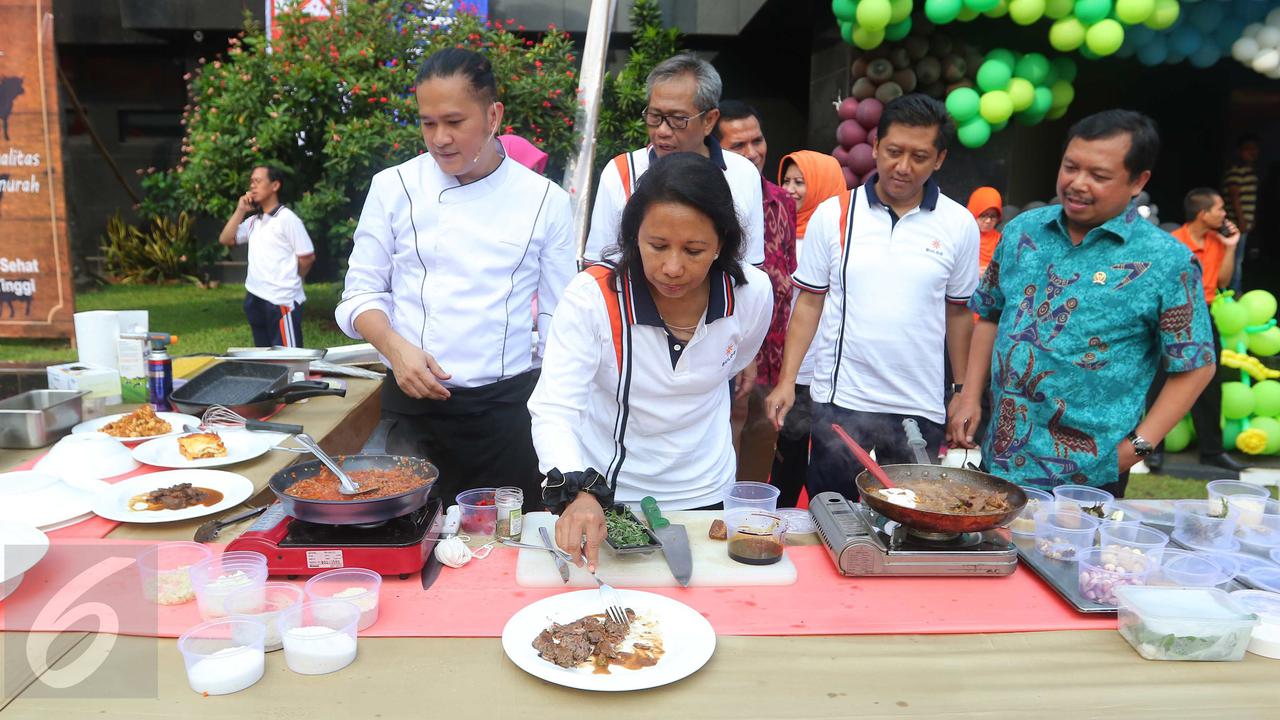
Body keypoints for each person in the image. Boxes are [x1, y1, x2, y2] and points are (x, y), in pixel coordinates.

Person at [336, 48, 576, 511]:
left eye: (454, 121)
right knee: (406, 540)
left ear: (492, 115)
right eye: (428, 123)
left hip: (504, 413)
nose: (440, 138)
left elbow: (559, 315)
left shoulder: (543, 199)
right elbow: (360, 294)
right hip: (413, 408)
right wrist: (396, 350)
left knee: (507, 550)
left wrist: (559, 416)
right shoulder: (395, 187)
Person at [948, 110, 1216, 494]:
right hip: (1002, 454)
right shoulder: (1024, 232)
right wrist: (969, 396)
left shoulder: (1168, 262)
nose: (1077, 183)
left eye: (1099, 176)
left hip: (1091, 476)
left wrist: (1137, 447)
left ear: (1138, 181)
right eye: (1070, 167)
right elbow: (990, 314)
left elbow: (1195, 364)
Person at [531, 153, 772, 570]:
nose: (673, 268)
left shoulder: (751, 295)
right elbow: (555, 408)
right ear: (632, 236)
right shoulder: (592, 300)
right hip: (608, 495)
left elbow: (734, 363)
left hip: (706, 491)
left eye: (694, 250)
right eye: (657, 246)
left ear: (722, 245)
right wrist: (576, 490)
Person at [765, 94, 979, 500]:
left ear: (939, 159)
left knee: (914, 516)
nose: (903, 166)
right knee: (832, 513)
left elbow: (958, 313)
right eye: (894, 151)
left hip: (920, 405)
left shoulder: (959, 224)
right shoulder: (835, 214)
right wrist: (787, 381)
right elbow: (809, 303)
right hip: (842, 401)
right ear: (877, 146)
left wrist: (961, 391)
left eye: (919, 156)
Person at [583, 55, 765, 268]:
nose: (662, 130)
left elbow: (749, 268)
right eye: (654, 116)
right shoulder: (621, 172)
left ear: (709, 120)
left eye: (678, 119)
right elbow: (600, 266)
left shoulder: (743, 173)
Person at [714, 100, 796, 481]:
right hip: (728, 337)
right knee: (725, 430)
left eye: (757, 141)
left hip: (775, 344)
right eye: (738, 146)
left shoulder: (782, 200)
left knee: (764, 434)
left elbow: (789, 273)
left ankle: (751, 519)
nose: (752, 153)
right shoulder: (712, 200)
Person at [1143, 188, 1246, 473]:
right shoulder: (1173, 243)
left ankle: (1212, 451)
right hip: (1172, 318)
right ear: (1203, 214)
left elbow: (1224, 280)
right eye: (1220, 209)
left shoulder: (1217, 241)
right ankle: (1151, 450)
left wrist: (1231, 245)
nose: (1224, 214)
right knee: (1159, 384)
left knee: (1210, 385)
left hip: (1205, 315)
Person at [772, 149, 845, 506]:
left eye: (801, 182)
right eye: (786, 181)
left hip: (828, 364)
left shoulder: (839, 234)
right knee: (788, 449)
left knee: (833, 455)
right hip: (790, 363)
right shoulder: (777, 231)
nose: (791, 190)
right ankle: (783, 517)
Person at [218, 165, 315, 347]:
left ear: (275, 185)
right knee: (263, 357)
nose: (253, 186)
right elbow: (226, 239)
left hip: (282, 299)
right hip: (255, 296)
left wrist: (292, 278)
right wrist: (240, 210)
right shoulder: (255, 220)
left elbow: (307, 257)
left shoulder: (287, 219)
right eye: (251, 182)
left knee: (289, 358)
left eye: (258, 181)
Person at [1221, 135, 1260, 294]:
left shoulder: (1249, 171)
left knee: (1237, 258)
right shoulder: (1236, 170)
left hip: (1242, 222)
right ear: (1240, 151)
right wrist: (1242, 220)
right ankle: (1233, 292)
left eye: (1255, 149)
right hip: (1234, 224)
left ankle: (1232, 290)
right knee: (1234, 259)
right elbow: (1234, 195)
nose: (1253, 152)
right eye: (1248, 149)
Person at [967, 186, 1003, 276]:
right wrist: (972, 273)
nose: (988, 221)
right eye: (983, 215)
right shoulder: (962, 237)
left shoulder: (1001, 241)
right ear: (973, 212)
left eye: (993, 216)